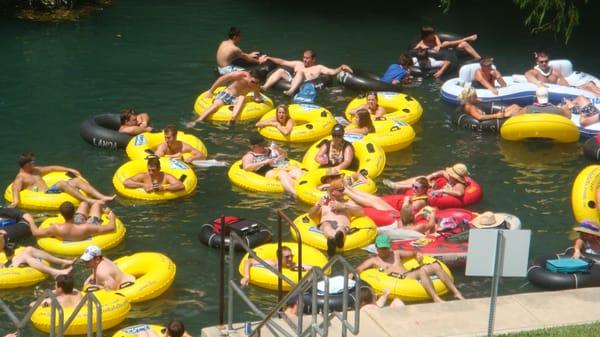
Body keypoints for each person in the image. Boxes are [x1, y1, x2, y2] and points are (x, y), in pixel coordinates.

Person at [354, 235, 464, 302]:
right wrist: (352, 275)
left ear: (389, 246)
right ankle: (435, 298)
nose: (383, 251)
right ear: (376, 248)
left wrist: (418, 254)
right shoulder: (374, 261)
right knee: (421, 271)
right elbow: (359, 269)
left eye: (385, 248)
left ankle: (456, 292)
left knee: (435, 265)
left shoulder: (396, 253)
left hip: (408, 274)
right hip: (399, 280)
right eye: (381, 248)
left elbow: (413, 252)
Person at [8, 152, 116, 208]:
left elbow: (52, 168)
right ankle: (87, 200)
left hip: (51, 191)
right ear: (26, 164)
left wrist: (69, 169)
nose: (35, 163)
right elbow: (15, 189)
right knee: (61, 183)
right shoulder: (20, 178)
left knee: (76, 180)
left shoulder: (35, 170)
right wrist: (15, 202)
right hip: (45, 195)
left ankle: (103, 197)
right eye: (33, 162)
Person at [187, 69, 263, 127]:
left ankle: (232, 119)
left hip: (236, 99)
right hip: (227, 94)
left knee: (242, 98)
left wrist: (257, 99)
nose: (254, 84)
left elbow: (257, 96)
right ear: (249, 76)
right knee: (216, 105)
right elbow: (222, 79)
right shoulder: (240, 75)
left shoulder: (256, 86)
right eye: (252, 82)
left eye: (256, 82)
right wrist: (211, 91)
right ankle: (197, 121)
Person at [259, 49, 353, 96]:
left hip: (305, 84)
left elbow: (332, 72)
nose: (304, 60)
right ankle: (265, 87)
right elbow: (282, 62)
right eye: (304, 57)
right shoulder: (298, 64)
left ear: (313, 59)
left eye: (307, 58)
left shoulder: (318, 68)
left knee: (300, 73)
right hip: (292, 80)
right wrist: (269, 57)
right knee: (280, 70)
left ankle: (291, 91)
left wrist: (341, 67)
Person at [308, 179, 364, 257]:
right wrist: (317, 206)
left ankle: (338, 238)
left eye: (343, 190)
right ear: (333, 192)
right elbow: (311, 215)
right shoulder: (323, 202)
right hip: (326, 223)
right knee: (326, 225)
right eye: (341, 190)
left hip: (343, 226)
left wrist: (344, 207)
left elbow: (362, 212)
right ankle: (331, 239)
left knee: (341, 228)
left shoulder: (347, 202)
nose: (344, 192)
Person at [27, 201, 116, 242]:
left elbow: (36, 233)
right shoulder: (87, 227)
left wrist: (31, 221)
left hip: (71, 226)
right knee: (96, 204)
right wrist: (112, 217)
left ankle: (87, 207)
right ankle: (101, 210)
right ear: (74, 212)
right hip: (84, 227)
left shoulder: (55, 227)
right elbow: (111, 228)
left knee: (84, 203)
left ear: (61, 215)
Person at [0, 230, 74, 278]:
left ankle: (62, 262)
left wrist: (2, 237)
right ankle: (55, 273)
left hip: (7, 264)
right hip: (5, 272)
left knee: (29, 249)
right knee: (26, 256)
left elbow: (2, 247)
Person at [525, 51, 600, 96]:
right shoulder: (535, 72)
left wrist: (572, 88)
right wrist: (538, 83)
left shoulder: (554, 71)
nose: (544, 63)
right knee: (589, 87)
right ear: (537, 62)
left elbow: (565, 84)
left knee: (590, 85)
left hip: (565, 90)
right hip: (554, 92)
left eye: (546, 61)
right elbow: (527, 75)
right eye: (541, 62)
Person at [383, 163, 470, 199]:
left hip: (434, 194)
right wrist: (431, 176)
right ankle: (398, 183)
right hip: (434, 188)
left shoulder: (459, 184)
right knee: (423, 177)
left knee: (421, 184)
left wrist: (443, 190)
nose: (449, 174)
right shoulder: (451, 177)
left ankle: (398, 186)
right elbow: (442, 172)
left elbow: (459, 193)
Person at [240, 245, 312, 287]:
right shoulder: (273, 263)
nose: (290, 259)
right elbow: (248, 261)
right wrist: (246, 276)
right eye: (287, 257)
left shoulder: (293, 265)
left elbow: (312, 268)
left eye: (291, 256)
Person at [414, 26, 481, 61]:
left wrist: (438, 47)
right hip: (442, 57)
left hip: (449, 52)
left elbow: (440, 45)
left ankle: (479, 58)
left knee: (463, 44)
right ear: (426, 35)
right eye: (431, 34)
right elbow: (414, 51)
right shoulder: (421, 44)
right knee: (446, 43)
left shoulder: (435, 37)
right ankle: (466, 39)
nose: (434, 34)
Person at [458, 87, 523, 121]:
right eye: (475, 96)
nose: (477, 97)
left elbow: (475, 101)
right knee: (516, 109)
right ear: (470, 98)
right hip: (496, 119)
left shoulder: (467, 103)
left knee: (515, 106)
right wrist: (496, 115)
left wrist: (476, 99)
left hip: (494, 117)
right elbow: (479, 117)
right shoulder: (470, 107)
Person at [129, 320, 193, 337]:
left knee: (142, 332)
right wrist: (186, 334)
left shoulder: (167, 334)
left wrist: (166, 334)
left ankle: (138, 334)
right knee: (150, 330)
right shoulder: (185, 335)